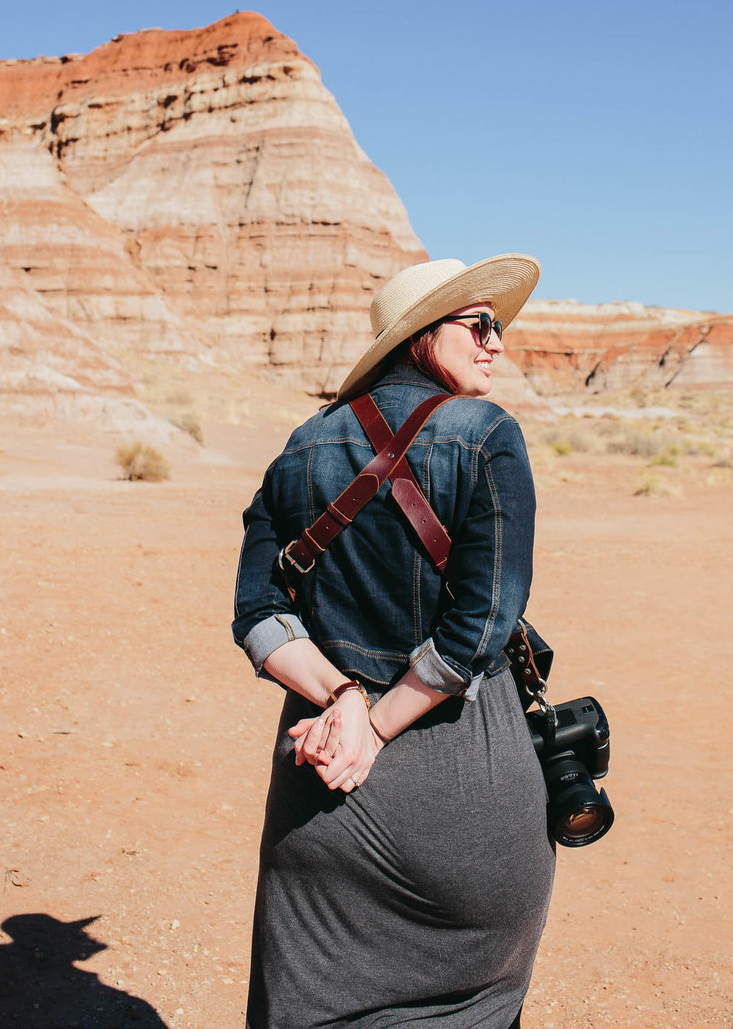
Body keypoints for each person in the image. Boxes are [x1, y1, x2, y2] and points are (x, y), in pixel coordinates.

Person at [232, 254, 555, 1029]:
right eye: (479, 325)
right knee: (468, 1010)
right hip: (460, 784)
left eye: (499, 329)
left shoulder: (302, 445)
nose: (496, 344)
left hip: (319, 781)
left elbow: (256, 612)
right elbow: (480, 629)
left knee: (312, 1003)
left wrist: (342, 696)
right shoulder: (487, 436)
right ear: (419, 336)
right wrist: (372, 727)